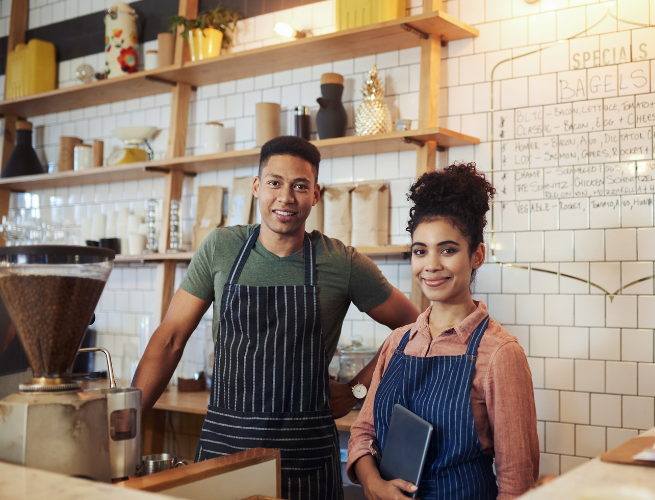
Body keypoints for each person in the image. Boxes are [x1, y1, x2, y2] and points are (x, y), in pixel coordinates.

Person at [132, 136, 419, 500]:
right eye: (274, 183)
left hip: (306, 463)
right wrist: (125, 425)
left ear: (316, 194)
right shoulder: (222, 248)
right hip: (224, 454)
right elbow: (170, 338)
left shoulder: (340, 262)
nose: (286, 197)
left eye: (300, 185)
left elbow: (415, 328)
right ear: (256, 187)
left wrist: (356, 391)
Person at [347, 163, 539, 500]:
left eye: (447, 250)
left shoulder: (499, 353)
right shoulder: (399, 341)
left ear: (476, 255)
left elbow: (516, 483)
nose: (431, 264)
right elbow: (363, 433)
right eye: (420, 251)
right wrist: (374, 486)